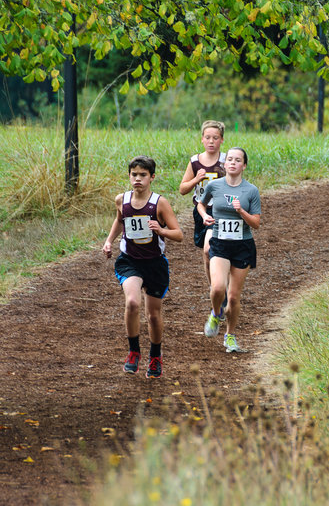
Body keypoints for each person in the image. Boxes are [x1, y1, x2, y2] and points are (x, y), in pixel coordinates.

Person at [103, 156, 183, 378]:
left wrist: (162, 230)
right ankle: (133, 351)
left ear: (152, 177)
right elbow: (120, 220)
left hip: (155, 264)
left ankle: (155, 356)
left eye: (143, 175)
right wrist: (109, 240)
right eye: (134, 175)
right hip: (130, 261)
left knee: (154, 315)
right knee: (132, 302)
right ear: (129, 176)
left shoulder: (160, 203)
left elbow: (179, 234)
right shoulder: (122, 200)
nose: (137, 179)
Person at [196, 147, 261, 353]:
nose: (233, 163)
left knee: (233, 297)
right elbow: (201, 204)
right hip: (220, 242)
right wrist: (205, 216)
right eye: (230, 159)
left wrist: (241, 210)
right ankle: (216, 314)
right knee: (217, 289)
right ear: (225, 164)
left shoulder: (251, 191)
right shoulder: (214, 186)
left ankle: (230, 336)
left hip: (242, 245)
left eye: (238, 160)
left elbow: (257, 223)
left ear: (244, 165)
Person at [178, 120, 227, 290]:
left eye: (215, 137)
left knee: (208, 249)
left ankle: (219, 287)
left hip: (221, 211)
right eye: (208, 137)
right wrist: (196, 179)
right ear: (202, 139)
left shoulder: (226, 161)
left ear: (222, 140)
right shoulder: (195, 162)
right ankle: (215, 289)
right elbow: (182, 189)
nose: (211, 141)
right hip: (201, 210)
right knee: (207, 255)